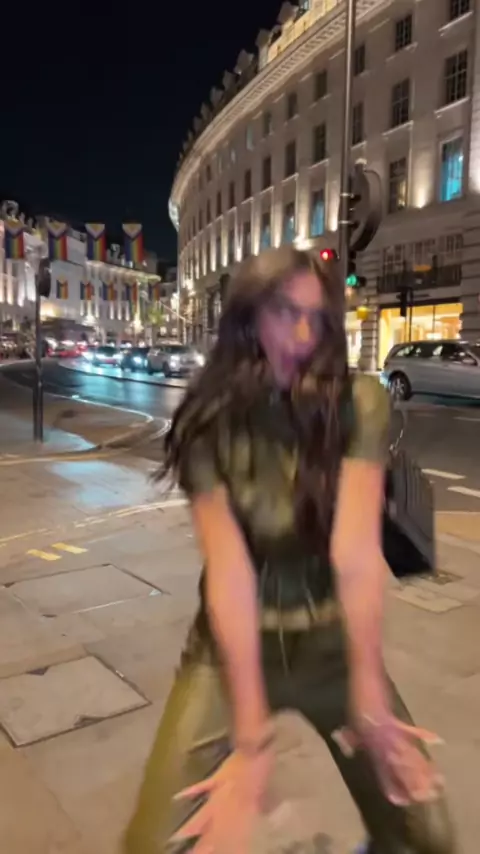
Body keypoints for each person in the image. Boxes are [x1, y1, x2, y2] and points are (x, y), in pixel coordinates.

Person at [123, 246, 454, 854]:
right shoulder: (207, 421)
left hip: (330, 642)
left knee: (426, 832)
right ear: (249, 319)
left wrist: (371, 700)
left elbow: (355, 553)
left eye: (315, 317)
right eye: (283, 313)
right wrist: (251, 742)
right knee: (154, 843)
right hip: (228, 652)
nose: (302, 336)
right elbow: (229, 571)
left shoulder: (359, 403)